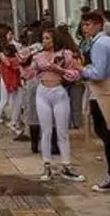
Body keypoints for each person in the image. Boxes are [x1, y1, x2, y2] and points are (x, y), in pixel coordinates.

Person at [78, 11, 110, 191]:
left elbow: (98, 73)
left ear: (99, 25)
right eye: (84, 24)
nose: (86, 28)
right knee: (107, 132)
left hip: (100, 91)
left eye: (89, 24)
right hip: (107, 88)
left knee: (105, 132)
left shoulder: (99, 44)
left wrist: (82, 70)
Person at [25, 28, 84, 182]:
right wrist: (25, 60)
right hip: (42, 91)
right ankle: (47, 165)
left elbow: (75, 75)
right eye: (43, 38)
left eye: (47, 39)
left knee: (62, 131)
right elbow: (27, 74)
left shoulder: (65, 55)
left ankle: (66, 164)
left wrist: (58, 69)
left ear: (54, 40)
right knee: (46, 131)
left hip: (59, 91)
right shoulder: (38, 56)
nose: (45, 42)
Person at [0, 39, 23, 138]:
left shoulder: (13, 47)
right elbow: (8, 63)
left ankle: (13, 123)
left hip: (15, 79)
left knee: (18, 101)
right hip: (6, 79)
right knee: (4, 101)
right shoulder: (0, 51)